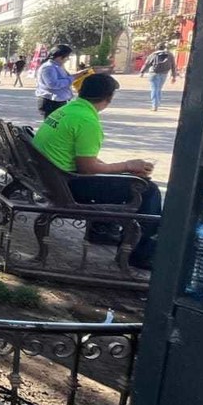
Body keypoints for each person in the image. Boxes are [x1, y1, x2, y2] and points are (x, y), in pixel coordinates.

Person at [31, 74, 161, 270]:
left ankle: (102, 229)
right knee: (147, 189)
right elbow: (88, 168)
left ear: (81, 91)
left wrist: (120, 170)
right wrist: (127, 165)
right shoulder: (87, 121)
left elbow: (82, 158)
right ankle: (138, 253)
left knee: (126, 179)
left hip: (51, 179)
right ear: (109, 98)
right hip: (70, 186)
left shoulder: (66, 110)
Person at [35, 44, 74, 118]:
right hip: (51, 102)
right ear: (60, 56)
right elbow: (53, 84)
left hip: (59, 101)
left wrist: (78, 75)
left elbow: (65, 79)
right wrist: (71, 78)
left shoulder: (58, 66)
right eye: (67, 57)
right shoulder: (48, 67)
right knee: (53, 126)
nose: (68, 59)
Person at [140, 46, 178, 111]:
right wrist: (174, 76)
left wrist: (142, 72)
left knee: (154, 89)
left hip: (154, 73)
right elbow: (173, 66)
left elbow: (147, 64)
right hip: (164, 74)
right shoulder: (170, 55)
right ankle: (157, 103)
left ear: (157, 48)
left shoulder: (153, 54)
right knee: (159, 89)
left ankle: (155, 106)